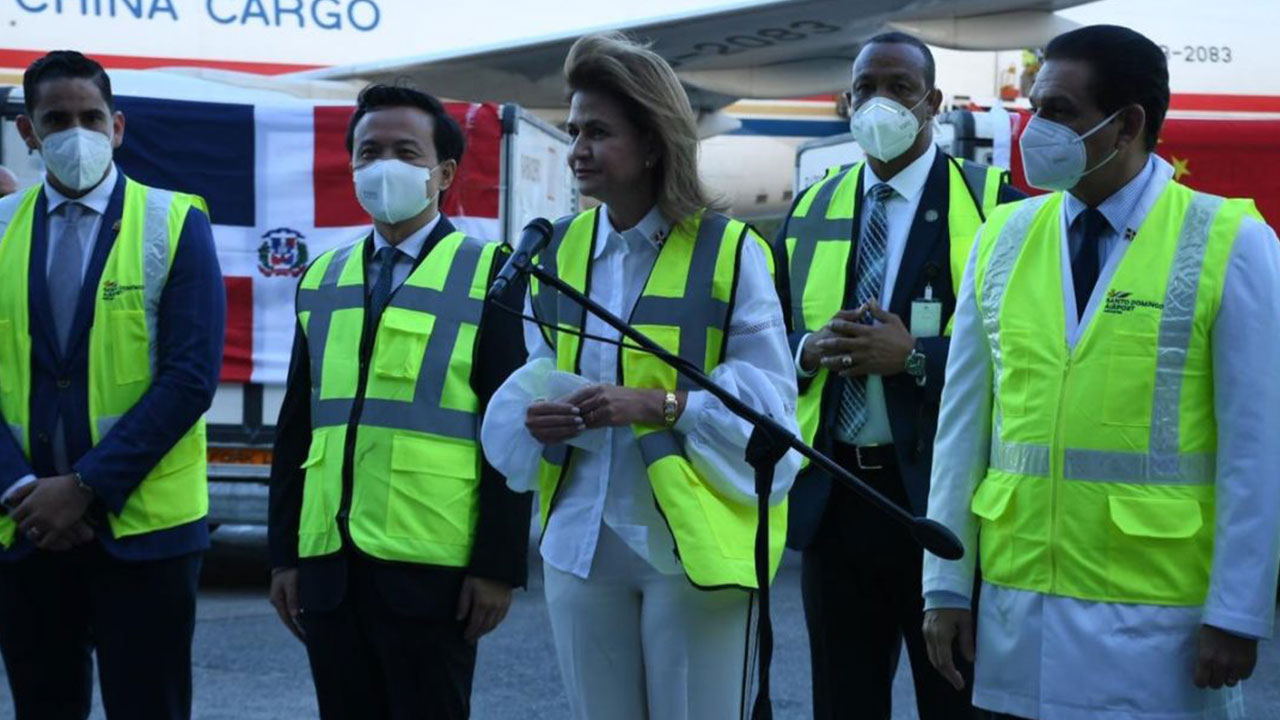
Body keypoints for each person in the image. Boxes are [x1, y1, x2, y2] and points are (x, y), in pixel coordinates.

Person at [922, 25, 1280, 720]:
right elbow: (962, 427)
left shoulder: (1230, 241)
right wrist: (945, 584)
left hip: (1158, 627)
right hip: (1019, 614)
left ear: (1128, 126)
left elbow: (1257, 448)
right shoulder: (1002, 238)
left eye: (1059, 111)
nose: (1035, 129)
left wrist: (1239, 611)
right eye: (1034, 108)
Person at [480, 33, 801, 720]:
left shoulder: (731, 250)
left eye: (598, 133)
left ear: (654, 142)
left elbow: (774, 411)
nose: (577, 149)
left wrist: (662, 403)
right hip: (579, 544)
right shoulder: (557, 250)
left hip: (689, 550)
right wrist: (539, 416)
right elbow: (540, 370)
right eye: (574, 131)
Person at [772, 32, 1022, 720]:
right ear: (846, 101)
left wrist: (913, 358)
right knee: (843, 703)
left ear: (933, 102)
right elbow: (765, 342)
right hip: (838, 498)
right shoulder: (811, 208)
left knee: (957, 700)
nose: (880, 102)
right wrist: (808, 350)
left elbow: (1027, 357)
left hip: (947, 505)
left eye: (900, 88)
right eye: (866, 89)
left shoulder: (998, 206)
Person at [267, 84, 532, 720]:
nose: (383, 166)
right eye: (369, 152)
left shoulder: (493, 275)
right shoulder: (322, 277)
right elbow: (298, 427)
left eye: (406, 153)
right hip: (329, 565)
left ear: (444, 174)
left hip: (433, 568)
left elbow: (511, 433)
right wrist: (284, 557)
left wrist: (498, 566)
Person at [0, 51, 225, 719]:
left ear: (117, 127)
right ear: (28, 132)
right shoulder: (1, 227)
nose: (78, 133)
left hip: (146, 535)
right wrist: (21, 490)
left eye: (92, 118)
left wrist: (84, 489)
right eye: (56, 120)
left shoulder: (176, 221)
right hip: (27, 531)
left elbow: (190, 379)